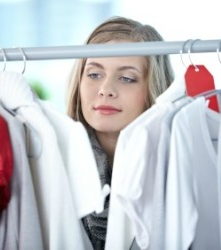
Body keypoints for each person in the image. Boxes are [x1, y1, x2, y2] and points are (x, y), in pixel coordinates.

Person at [66, 16, 174, 250]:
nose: (106, 90)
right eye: (94, 74)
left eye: (126, 78)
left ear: (154, 88)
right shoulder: (53, 160)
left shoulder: (176, 165)